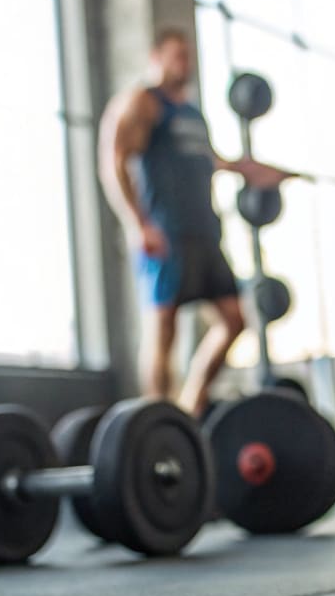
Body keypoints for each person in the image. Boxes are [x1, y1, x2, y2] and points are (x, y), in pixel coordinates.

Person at [100, 28, 291, 416]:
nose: (183, 64)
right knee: (164, 326)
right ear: (155, 59)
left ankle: (191, 401)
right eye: (176, 56)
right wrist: (138, 224)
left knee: (235, 319)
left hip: (205, 232)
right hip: (165, 233)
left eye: (186, 57)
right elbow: (114, 158)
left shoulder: (191, 113)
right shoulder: (144, 102)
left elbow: (212, 161)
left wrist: (253, 170)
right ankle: (157, 416)